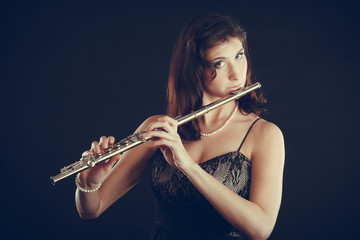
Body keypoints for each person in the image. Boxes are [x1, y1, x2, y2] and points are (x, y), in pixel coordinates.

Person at [75, 13, 285, 240]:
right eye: (220, 63)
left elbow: (261, 229)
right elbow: (91, 210)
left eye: (239, 55)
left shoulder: (264, 134)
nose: (237, 74)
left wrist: (187, 165)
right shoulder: (159, 129)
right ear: (194, 70)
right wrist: (88, 184)